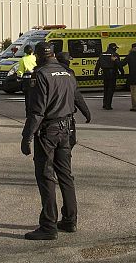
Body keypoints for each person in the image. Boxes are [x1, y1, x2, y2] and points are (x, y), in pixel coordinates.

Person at [20, 41, 89, 240]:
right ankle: (70, 220)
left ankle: (48, 226)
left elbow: (37, 111)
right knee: (66, 175)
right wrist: (86, 112)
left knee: (46, 176)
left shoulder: (40, 75)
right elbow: (77, 96)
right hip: (66, 130)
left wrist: (27, 136)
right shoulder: (67, 73)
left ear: (40, 56)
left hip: (48, 132)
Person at [56, 52, 92, 147]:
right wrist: (86, 112)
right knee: (69, 143)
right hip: (66, 115)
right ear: (66, 61)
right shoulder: (69, 73)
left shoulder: (47, 71)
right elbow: (77, 96)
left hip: (50, 116)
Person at [94, 43, 122, 110]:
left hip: (105, 73)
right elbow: (118, 64)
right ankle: (108, 105)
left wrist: (96, 74)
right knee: (111, 89)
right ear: (114, 48)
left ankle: (104, 103)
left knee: (106, 89)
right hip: (112, 73)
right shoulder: (115, 55)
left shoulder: (102, 54)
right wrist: (122, 72)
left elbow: (98, 64)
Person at [16, 45, 38, 110]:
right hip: (35, 78)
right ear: (32, 51)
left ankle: (28, 111)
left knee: (28, 97)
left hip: (27, 80)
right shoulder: (35, 58)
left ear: (25, 52)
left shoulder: (23, 59)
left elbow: (20, 71)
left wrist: (18, 77)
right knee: (35, 96)